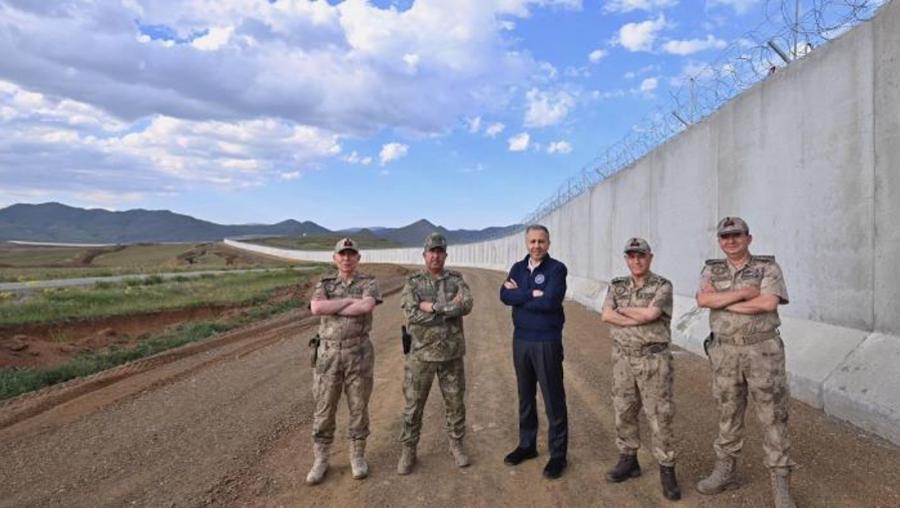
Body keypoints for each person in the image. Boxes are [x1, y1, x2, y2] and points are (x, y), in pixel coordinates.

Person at [695, 217, 796, 508]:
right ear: (720, 241)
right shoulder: (711, 269)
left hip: (762, 351)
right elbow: (703, 299)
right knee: (728, 413)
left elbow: (767, 304)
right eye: (725, 236)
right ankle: (724, 471)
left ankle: (781, 483)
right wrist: (742, 294)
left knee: (773, 416)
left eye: (736, 235)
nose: (731, 240)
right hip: (725, 352)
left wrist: (722, 300)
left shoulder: (767, 267)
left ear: (748, 238)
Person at [600, 238, 681, 501]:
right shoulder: (617, 285)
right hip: (623, 359)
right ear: (626, 259)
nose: (636, 261)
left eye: (641, 256)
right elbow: (606, 315)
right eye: (631, 256)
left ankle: (667, 469)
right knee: (624, 410)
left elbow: (651, 315)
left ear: (650, 257)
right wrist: (636, 312)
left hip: (653, 360)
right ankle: (628, 459)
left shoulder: (662, 285)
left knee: (659, 415)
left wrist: (621, 310)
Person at [305, 237, 382, 485]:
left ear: (358, 258)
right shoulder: (324, 283)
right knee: (324, 409)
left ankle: (357, 457)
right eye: (342, 254)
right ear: (335, 258)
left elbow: (366, 307)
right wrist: (350, 301)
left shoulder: (369, 282)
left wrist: (334, 306)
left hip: (358, 353)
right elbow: (317, 308)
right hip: (328, 355)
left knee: (358, 408)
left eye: (351, 254)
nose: (347, 258)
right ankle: (321, 460)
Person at [397, 233, 475, 474]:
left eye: (440, 251)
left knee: (455, 403)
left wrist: (432, 306)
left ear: (445, 255)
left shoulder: (456, 279)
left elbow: (467, 305)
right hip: (420, 355)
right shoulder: (413, 282)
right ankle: (409, 450)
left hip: (451, 354)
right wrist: (449, 309)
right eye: (432, 251)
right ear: (424, 255)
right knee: (413, 406)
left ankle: (456, 444)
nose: (436, 255)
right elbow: (412, 314)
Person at [499, 225, 569, 479]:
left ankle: (558, 455)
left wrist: (520, 295)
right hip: (521, 340)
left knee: (553, 398)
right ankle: (527, 445)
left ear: (548, 243)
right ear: (526, 243)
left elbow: (551, 301)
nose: (536, 246)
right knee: (525, 395)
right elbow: (504, 295)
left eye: (541, 241)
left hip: (546, 341)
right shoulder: (518, 267)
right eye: (532, 241)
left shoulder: (557, 269)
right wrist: (531, 293)